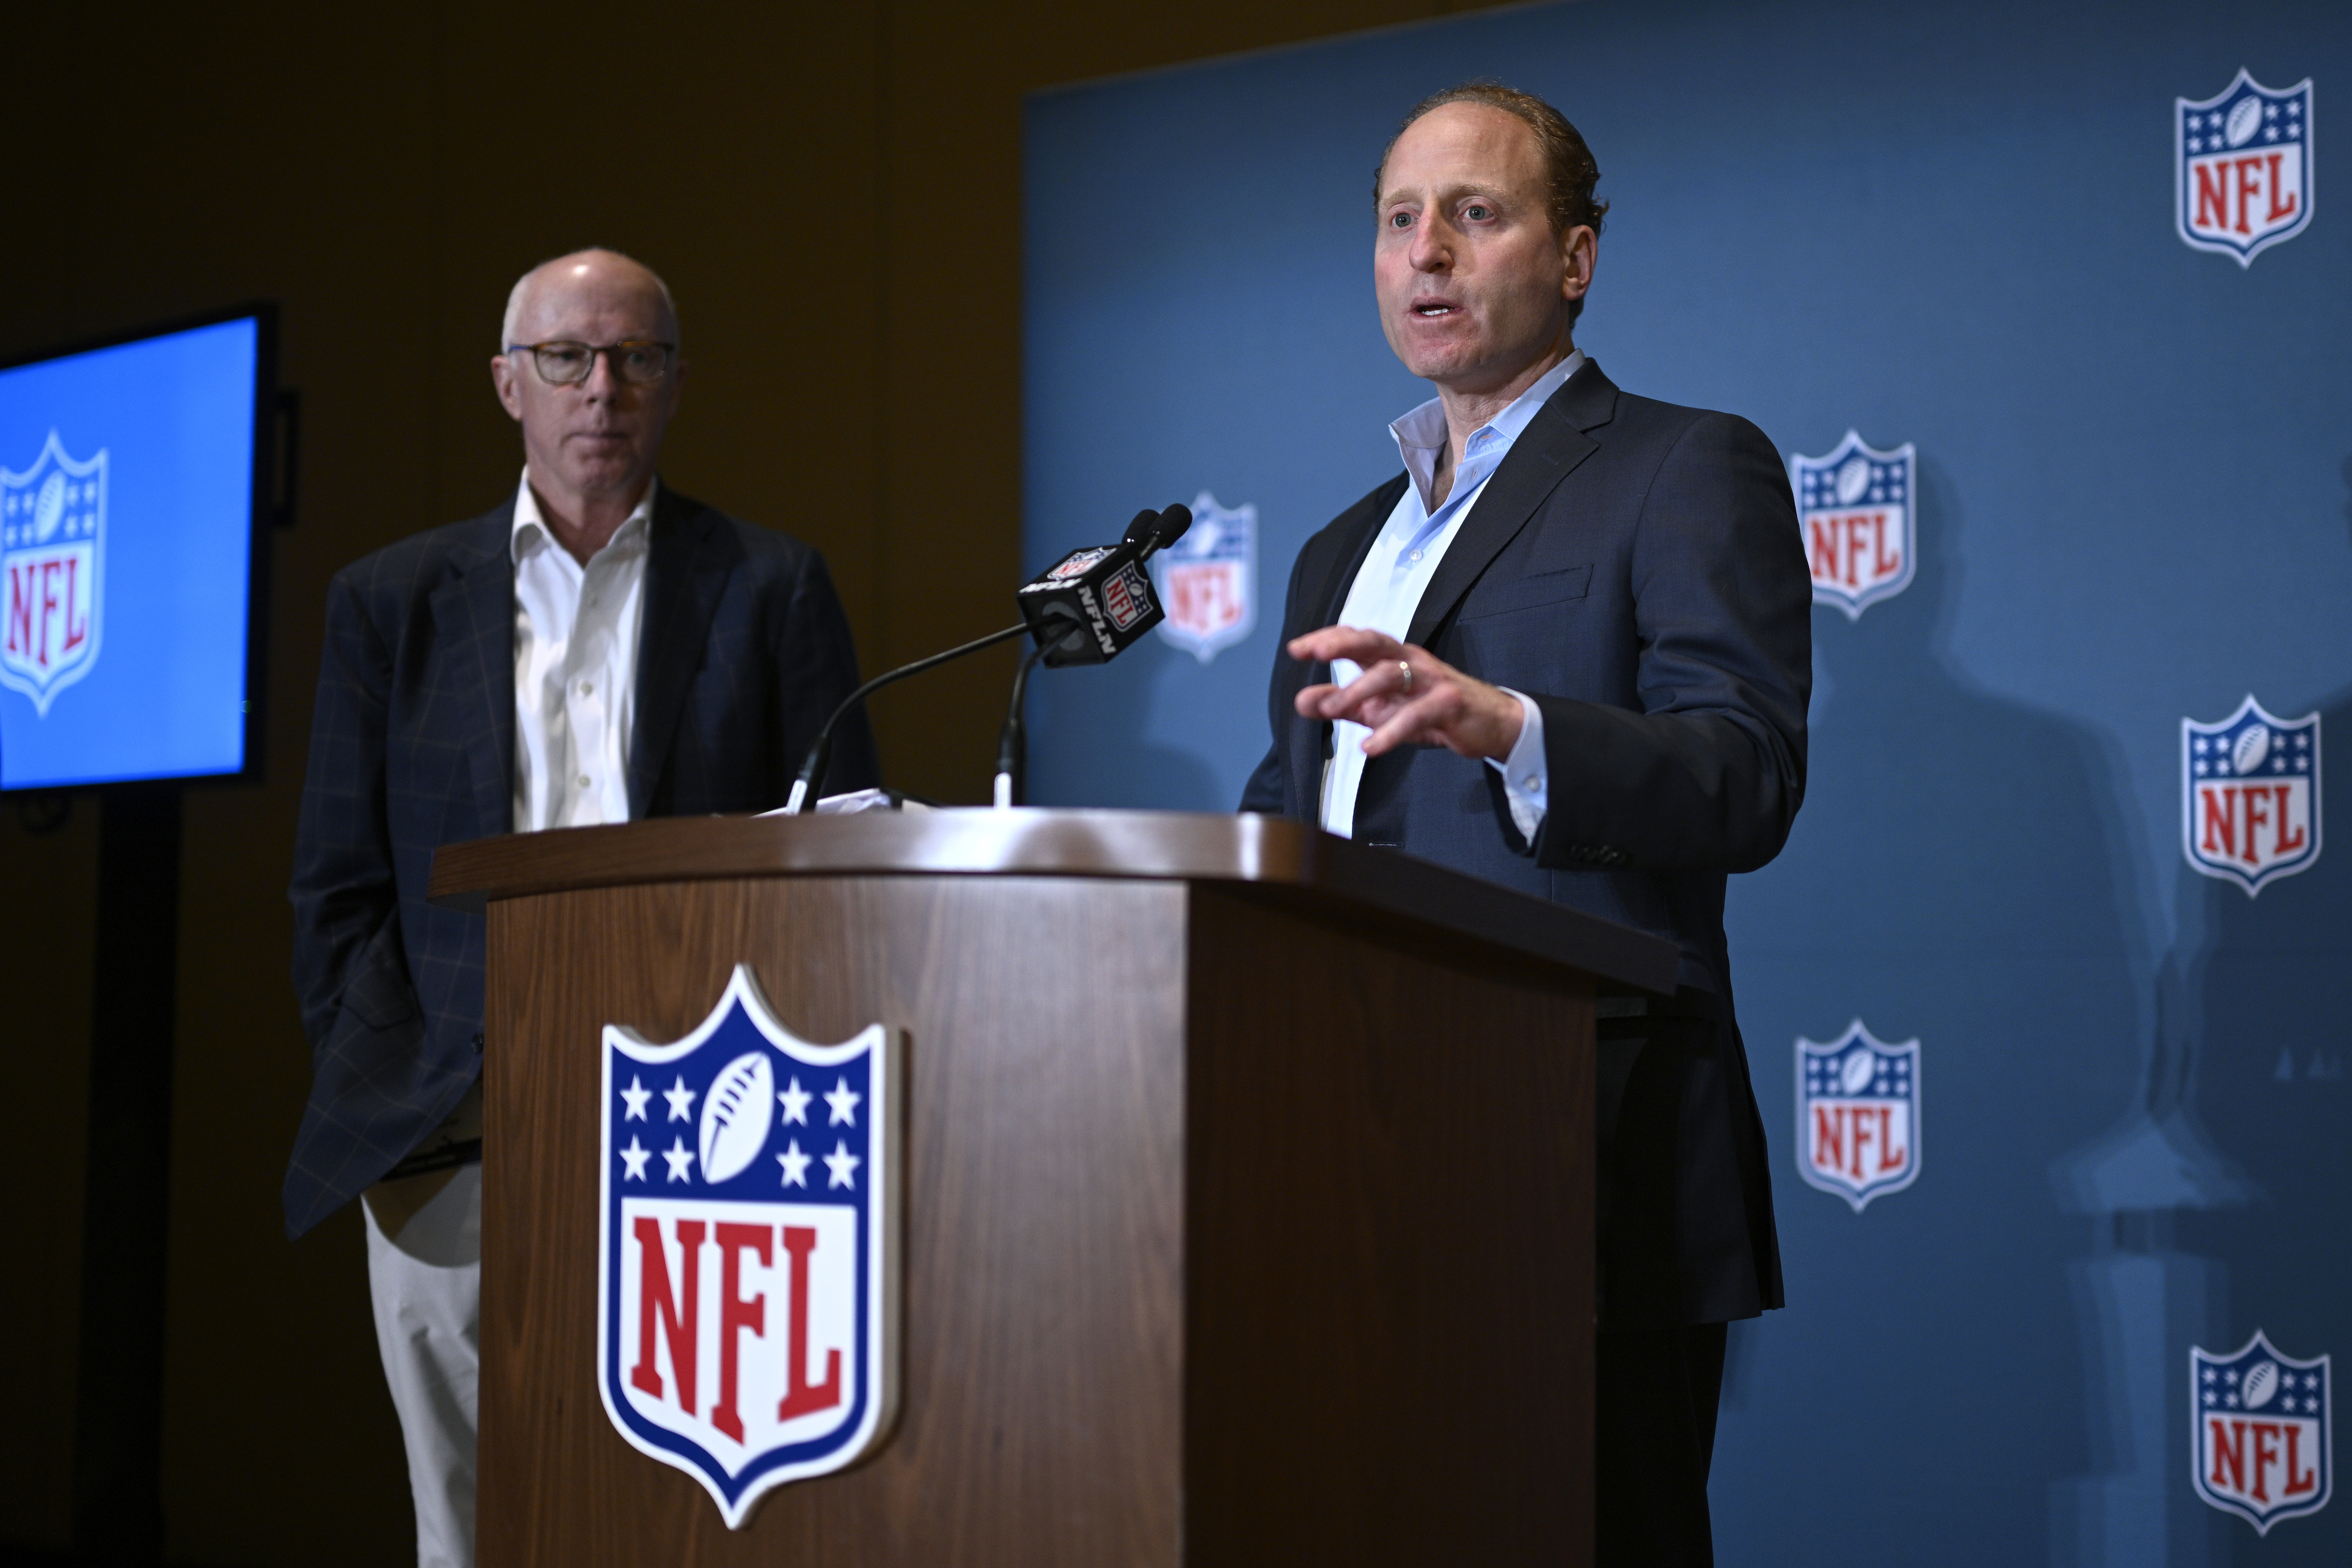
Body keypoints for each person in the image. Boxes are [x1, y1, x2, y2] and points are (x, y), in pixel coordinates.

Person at [1238, 84, 1810, 1565]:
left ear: (1574, 258)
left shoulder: (1683, 465)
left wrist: (1514, 726)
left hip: (1580, 1140)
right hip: (1350, 1158)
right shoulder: (1333, 548)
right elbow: (1286, 812)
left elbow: (1740, 772)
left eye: (1473, 215)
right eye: (1397, 220)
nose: (1425, 252)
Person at [283, 248, 876, 1567]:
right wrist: (393, 1066)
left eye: (635, 358)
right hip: (450, 1128)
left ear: (673, 386)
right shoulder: (389, 605)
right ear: (508, 384)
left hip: (702, 1131)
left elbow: (845, 860)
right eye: (567, 358)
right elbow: (334, 890)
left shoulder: (772, 586)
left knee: (681, 1514)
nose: (600, 388)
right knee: (468, 1521)